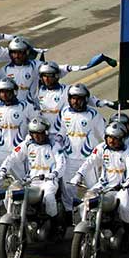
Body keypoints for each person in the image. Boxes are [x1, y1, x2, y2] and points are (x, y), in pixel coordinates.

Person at [70, 122, 129, 242]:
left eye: (115, 138)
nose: (111, 141)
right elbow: (89, 161)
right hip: (102, 185)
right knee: (85, 203)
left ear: (122, 139)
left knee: (124, 208)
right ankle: (87, 227)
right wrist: (79, 174)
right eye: (109, 137)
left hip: (121, 187)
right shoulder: (101, 148)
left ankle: (128, 234)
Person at [0, 117, 65, 232]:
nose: (37, 136)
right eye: (34, 133)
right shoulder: (27, 144)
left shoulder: (54, 145)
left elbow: (61, 163)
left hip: (48, 181)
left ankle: (55, 225)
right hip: (30, 181)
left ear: (46, 132)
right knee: (10, 193)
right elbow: (12, 157)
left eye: (40, 133)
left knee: (49, 197)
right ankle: (14, 217)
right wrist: (3, 169)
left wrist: (55, 173)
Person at [0, 77, 38, 210]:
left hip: (18, 152)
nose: (4, 95)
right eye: (1, 92)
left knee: (22, 182)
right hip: (1, 151)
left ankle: (28, 207)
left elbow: (36, 122)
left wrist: (28, 140)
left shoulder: (26, 106)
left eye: (8, 91)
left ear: (14, 92)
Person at [53, 83, 106, 217]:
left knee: (93, 189)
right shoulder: (65, 112)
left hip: (88, 160)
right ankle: (68, 215)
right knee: (68, 189)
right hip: (69, 159)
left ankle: (96, 217)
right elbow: (63, 130)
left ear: (86, 99)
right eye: (73, 98)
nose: (75, 101)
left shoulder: (93, 114)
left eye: (79, 98)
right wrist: (59, 138)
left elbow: (105, 135)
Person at [37, 61, 115, 133]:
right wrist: (69, 68)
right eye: (44, 76)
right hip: (45, 133)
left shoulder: (67, 90)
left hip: (62, 132)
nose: (46, 79)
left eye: (49, 76)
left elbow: (85, 97)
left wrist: (101, 103)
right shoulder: (39, 91)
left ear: (56, 76)